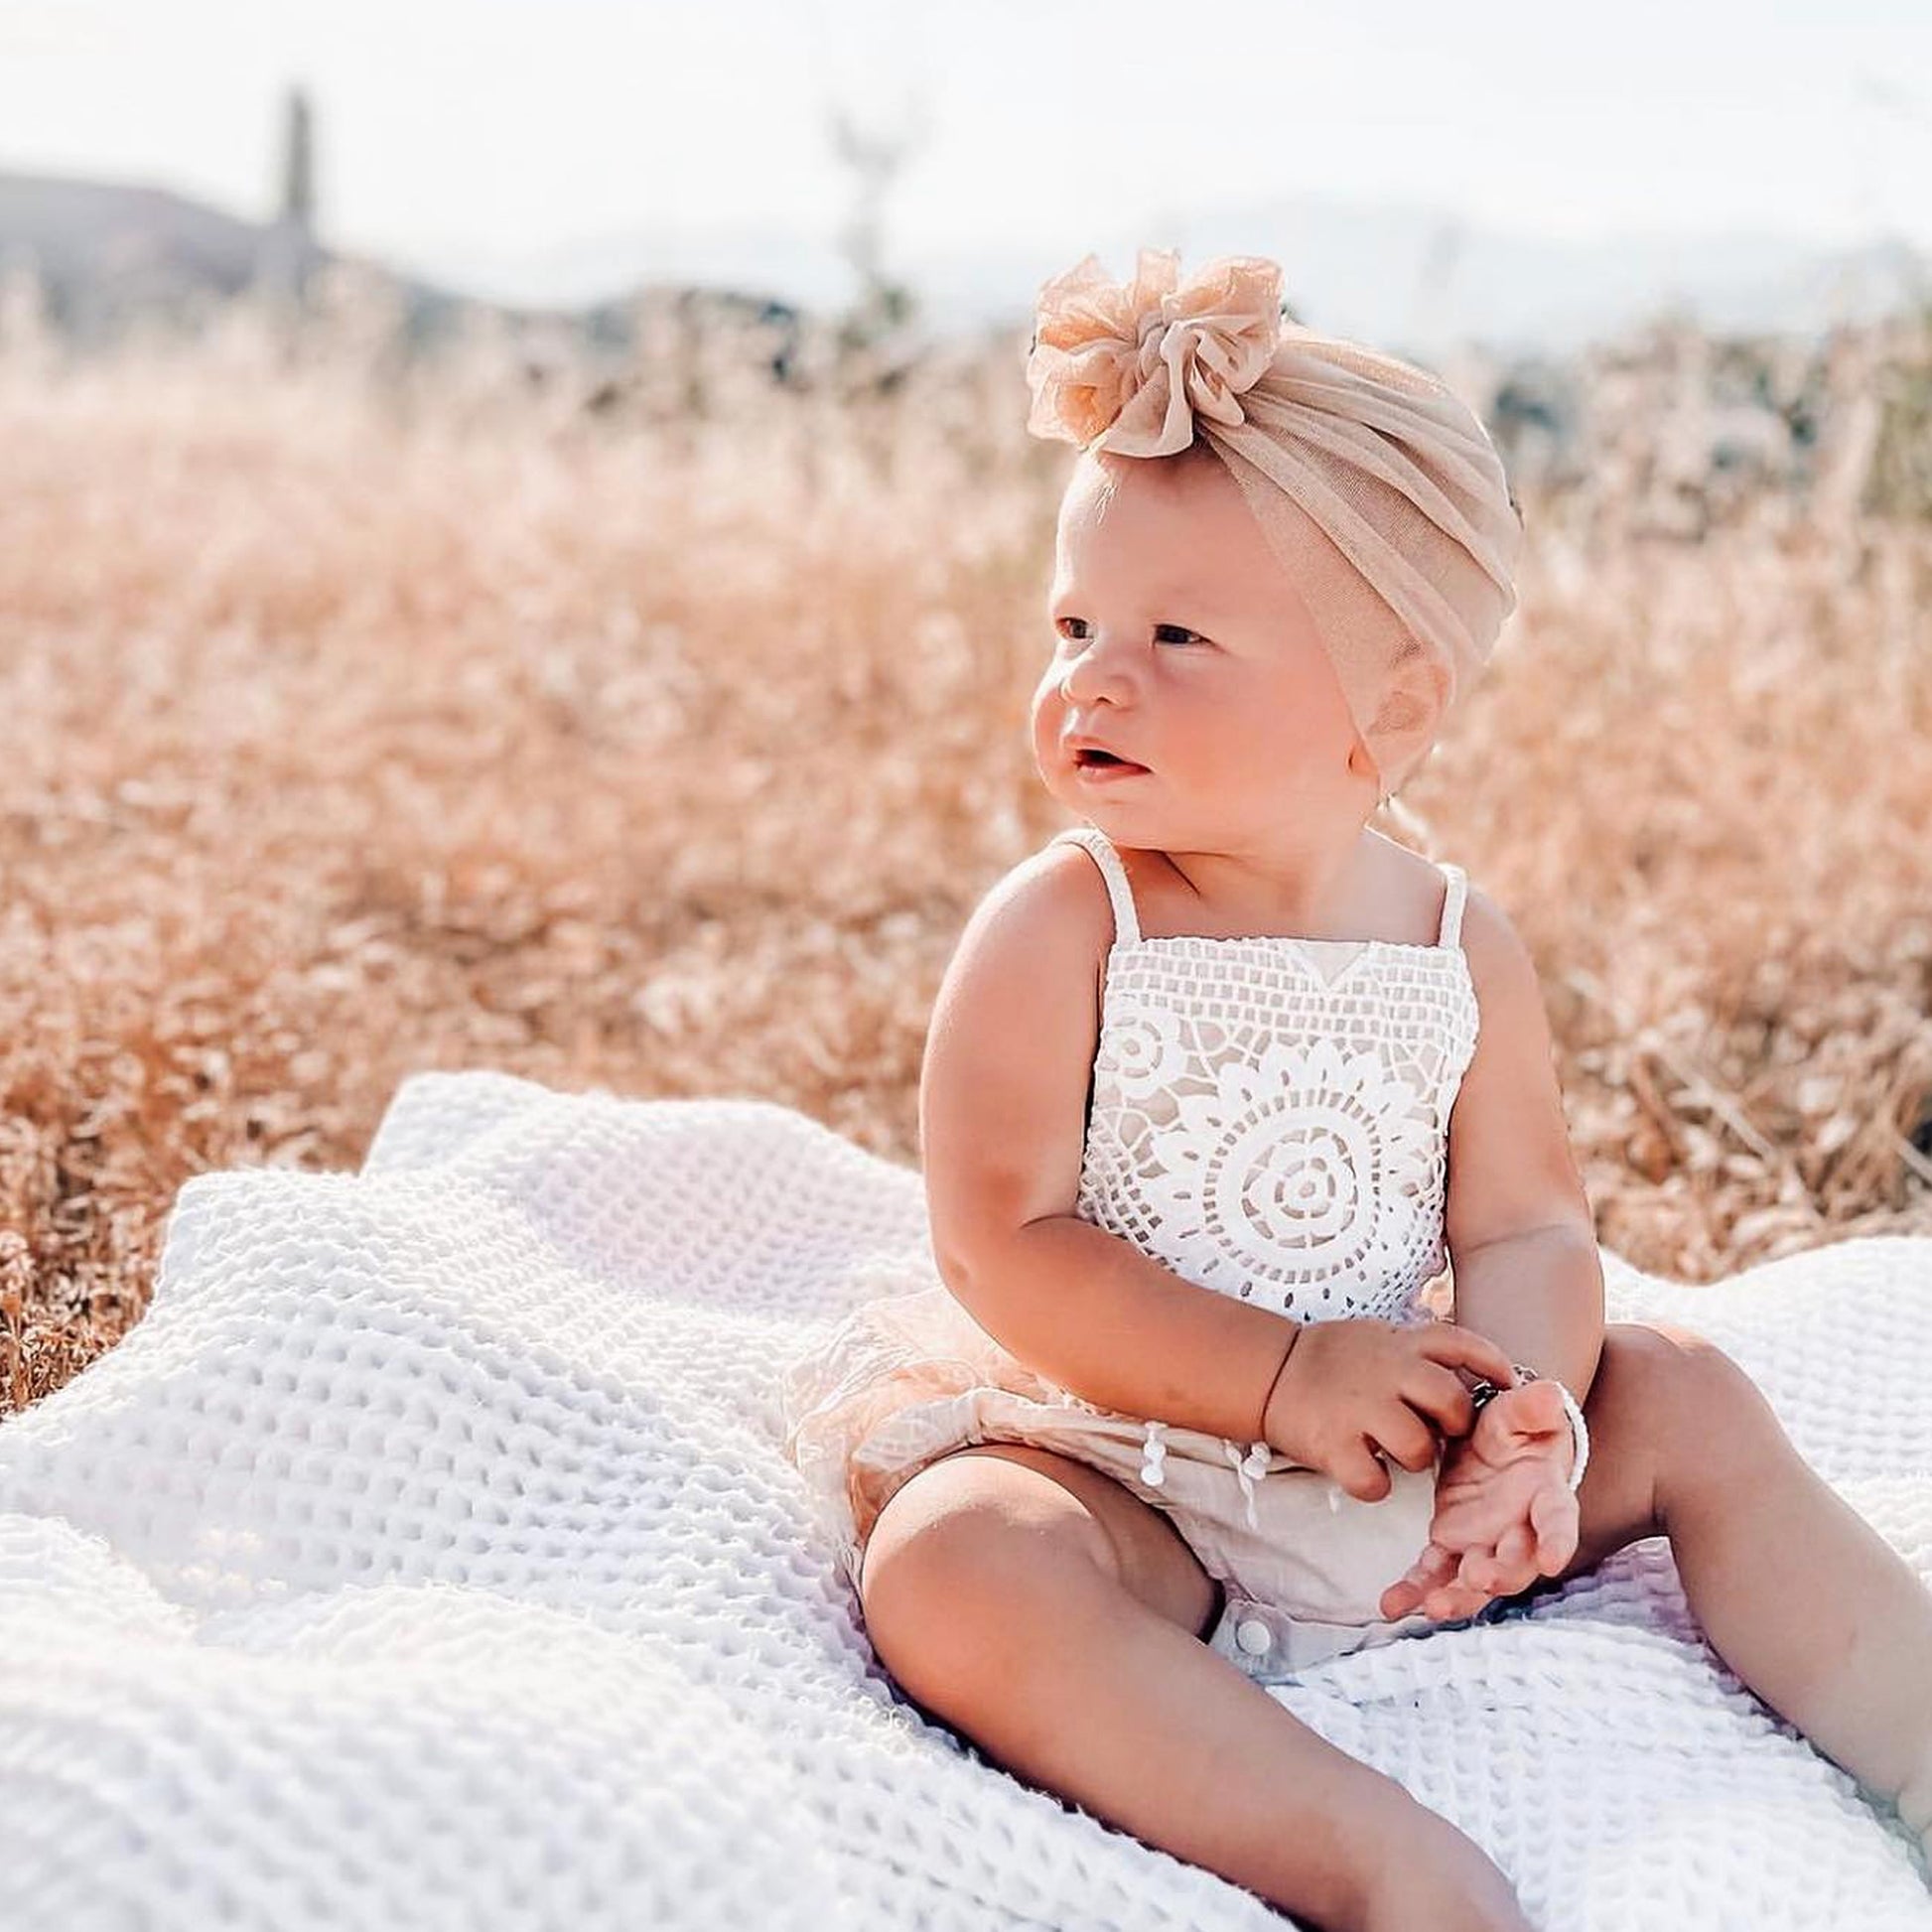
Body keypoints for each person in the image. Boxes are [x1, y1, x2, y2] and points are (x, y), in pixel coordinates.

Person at [779, 247, 1932, 1930]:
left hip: (1403, 1472)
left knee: (1679, 1389)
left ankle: (1907, 1733)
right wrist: (1277, 1374)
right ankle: (1377, 1858)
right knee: (956, 1559)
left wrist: (1524, 1421)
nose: (1096, 676)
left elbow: (1529, 1221)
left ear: (1390, 704)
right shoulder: (1067, 922)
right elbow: (1000, 1241)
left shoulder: (1458, 938)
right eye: (1075, 623)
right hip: (1144, 1470)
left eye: (1177, 634)